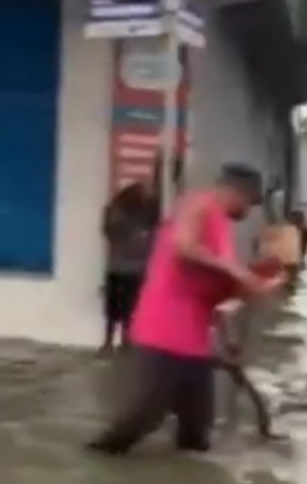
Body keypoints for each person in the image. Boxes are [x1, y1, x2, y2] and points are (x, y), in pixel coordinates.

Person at [88, 163, 286, 455]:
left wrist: (255, 285)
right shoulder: (197, 204)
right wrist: (238, 272)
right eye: (252, 203)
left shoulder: (223, 229)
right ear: (239, 192)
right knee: (139, 420)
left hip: (194, 345)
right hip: (162, 336)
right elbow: (184, 246)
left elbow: (212, 290)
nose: (250, 212)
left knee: (196, 434)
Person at [99, 158, 179, 353]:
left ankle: (115, 342)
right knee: (125, 309)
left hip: (121, 268)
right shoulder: (131, 215)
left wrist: (164, 168)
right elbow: (111, 232)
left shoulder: (133, 213)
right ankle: (120, 342)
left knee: (118, 309)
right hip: (129, 268)